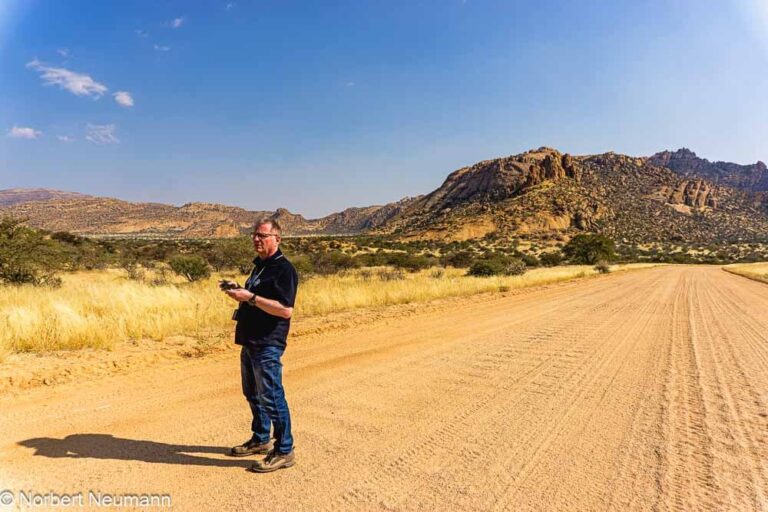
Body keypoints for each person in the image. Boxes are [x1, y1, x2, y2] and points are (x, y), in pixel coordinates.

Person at [223, 218, 298, 473]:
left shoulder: (283, 269)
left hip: (268, 343)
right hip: (250, 340)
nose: (256, 239)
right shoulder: (260, 266)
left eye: (262, 235)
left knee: (272, 397)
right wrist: (240, 291)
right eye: (254, 235)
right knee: (253, 394)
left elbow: (285, 310)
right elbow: (256, 297)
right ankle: (261, 438)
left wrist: (250, 297)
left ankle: (284, 450)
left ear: (277, 238)